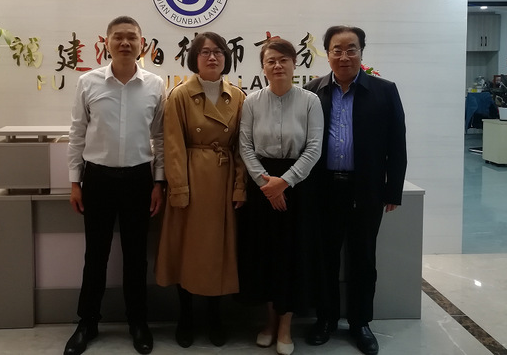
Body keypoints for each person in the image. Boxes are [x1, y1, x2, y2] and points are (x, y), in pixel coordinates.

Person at [64, 16, 166, 355]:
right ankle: (87, 322)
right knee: (96, 254)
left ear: (142, 43)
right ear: (105, 42)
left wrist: (159, 182)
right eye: (118, 37)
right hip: (98, 179)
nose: (125, 43)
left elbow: (160, 138)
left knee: (136, 257)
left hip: (139, 179)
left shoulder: (155, 85)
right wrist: (75, 182)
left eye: (131, 37)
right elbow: (77, 133)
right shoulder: (88, 82)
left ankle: (138, 321)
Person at [303, 25, 407, 355]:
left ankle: (361, 323)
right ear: (327, 54)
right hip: (324, 189)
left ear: (362, 52)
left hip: (367, 190)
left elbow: (397, 143)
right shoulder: (312, 91)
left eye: (351, 49)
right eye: (337, 50)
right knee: (325, 259)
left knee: (363, 258)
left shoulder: (384, 90)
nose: (344, 56)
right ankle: (326, 319)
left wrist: (392, 190)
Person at [155, 32, 246, 348]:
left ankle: (215, 317)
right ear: (194, 57)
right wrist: (178, 188)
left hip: (223, 181)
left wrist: (240, 187)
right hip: (191, 181)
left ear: (226, 57)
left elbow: (242, 147)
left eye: (218, 51)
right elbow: (173, 146)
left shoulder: (238, 96)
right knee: (187, 251)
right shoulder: (180, 95)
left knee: (218, 253)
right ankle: (186, 317)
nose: (212, 57)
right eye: (205, 52)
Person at [238, 38, 324, 355]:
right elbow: (245, 146)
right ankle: (270, 322)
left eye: (283, 59)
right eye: (271, 60)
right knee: (265, 254)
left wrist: (284, 182)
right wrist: (267, 184)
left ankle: (286, 326)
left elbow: (314, 148)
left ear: (294, 64)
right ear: (263, 67)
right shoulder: (251, 102)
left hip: (298, 186)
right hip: (261, 185)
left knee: (292, 255)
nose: (277, 65)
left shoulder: (310, 101)